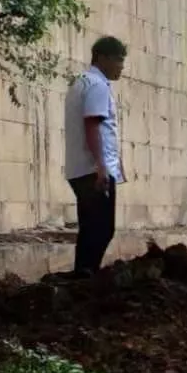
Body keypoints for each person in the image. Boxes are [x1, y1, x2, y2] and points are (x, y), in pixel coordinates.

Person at [64, 36, 127, 275]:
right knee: (101, 230)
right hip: (94, 171)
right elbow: (92, 125)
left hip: (80, 169)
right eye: (118, 60)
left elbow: (98, 128)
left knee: (91, 229)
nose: (121, 66)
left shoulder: (81, 82)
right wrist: (102, 165)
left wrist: (115, 162)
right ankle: (85, 277)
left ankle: (83, 277)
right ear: (102, 58)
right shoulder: (97, 85)